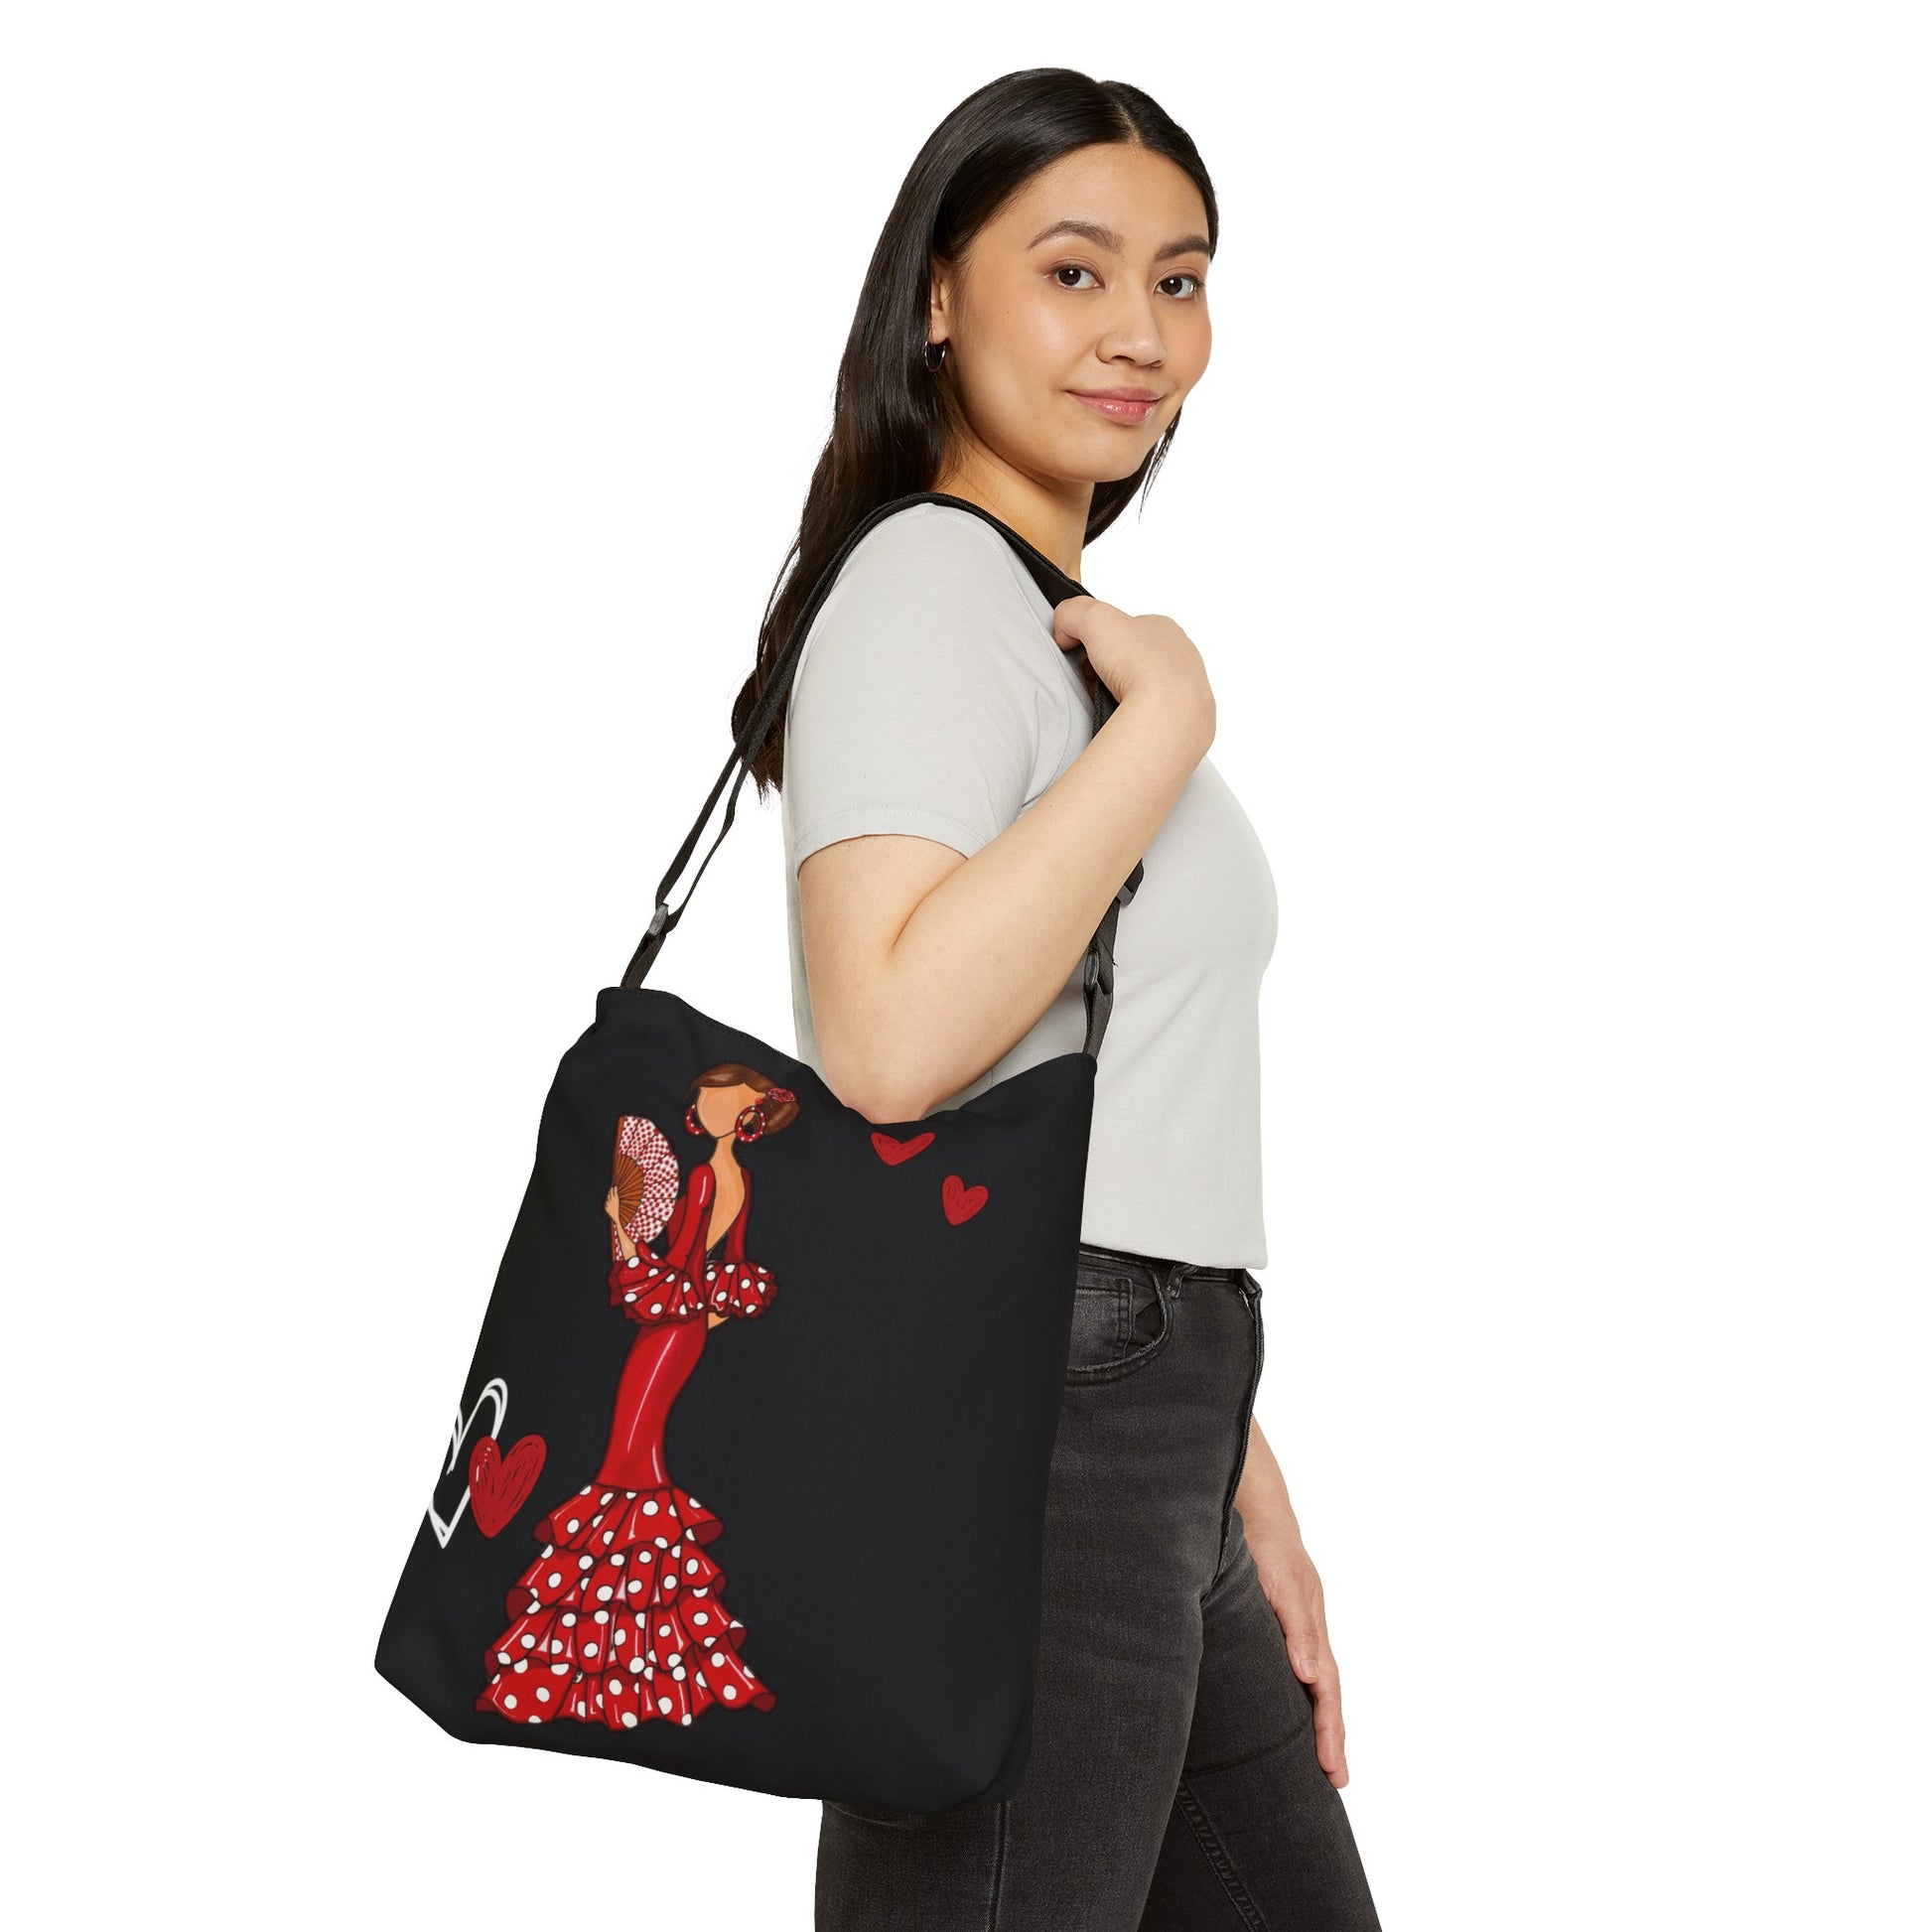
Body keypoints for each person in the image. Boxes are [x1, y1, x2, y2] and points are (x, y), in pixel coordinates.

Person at [735, 66, 1382, 1931]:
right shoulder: (928, 589)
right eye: (1074, 272)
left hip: (1143, 1412)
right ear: (938, 295)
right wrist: (1169, 723)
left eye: (1178, 282)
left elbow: (1105, 1087)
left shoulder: (1042, 623)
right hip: (1038, 1425)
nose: (1140, 335)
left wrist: (1235, 1467)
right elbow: (888, 1040)